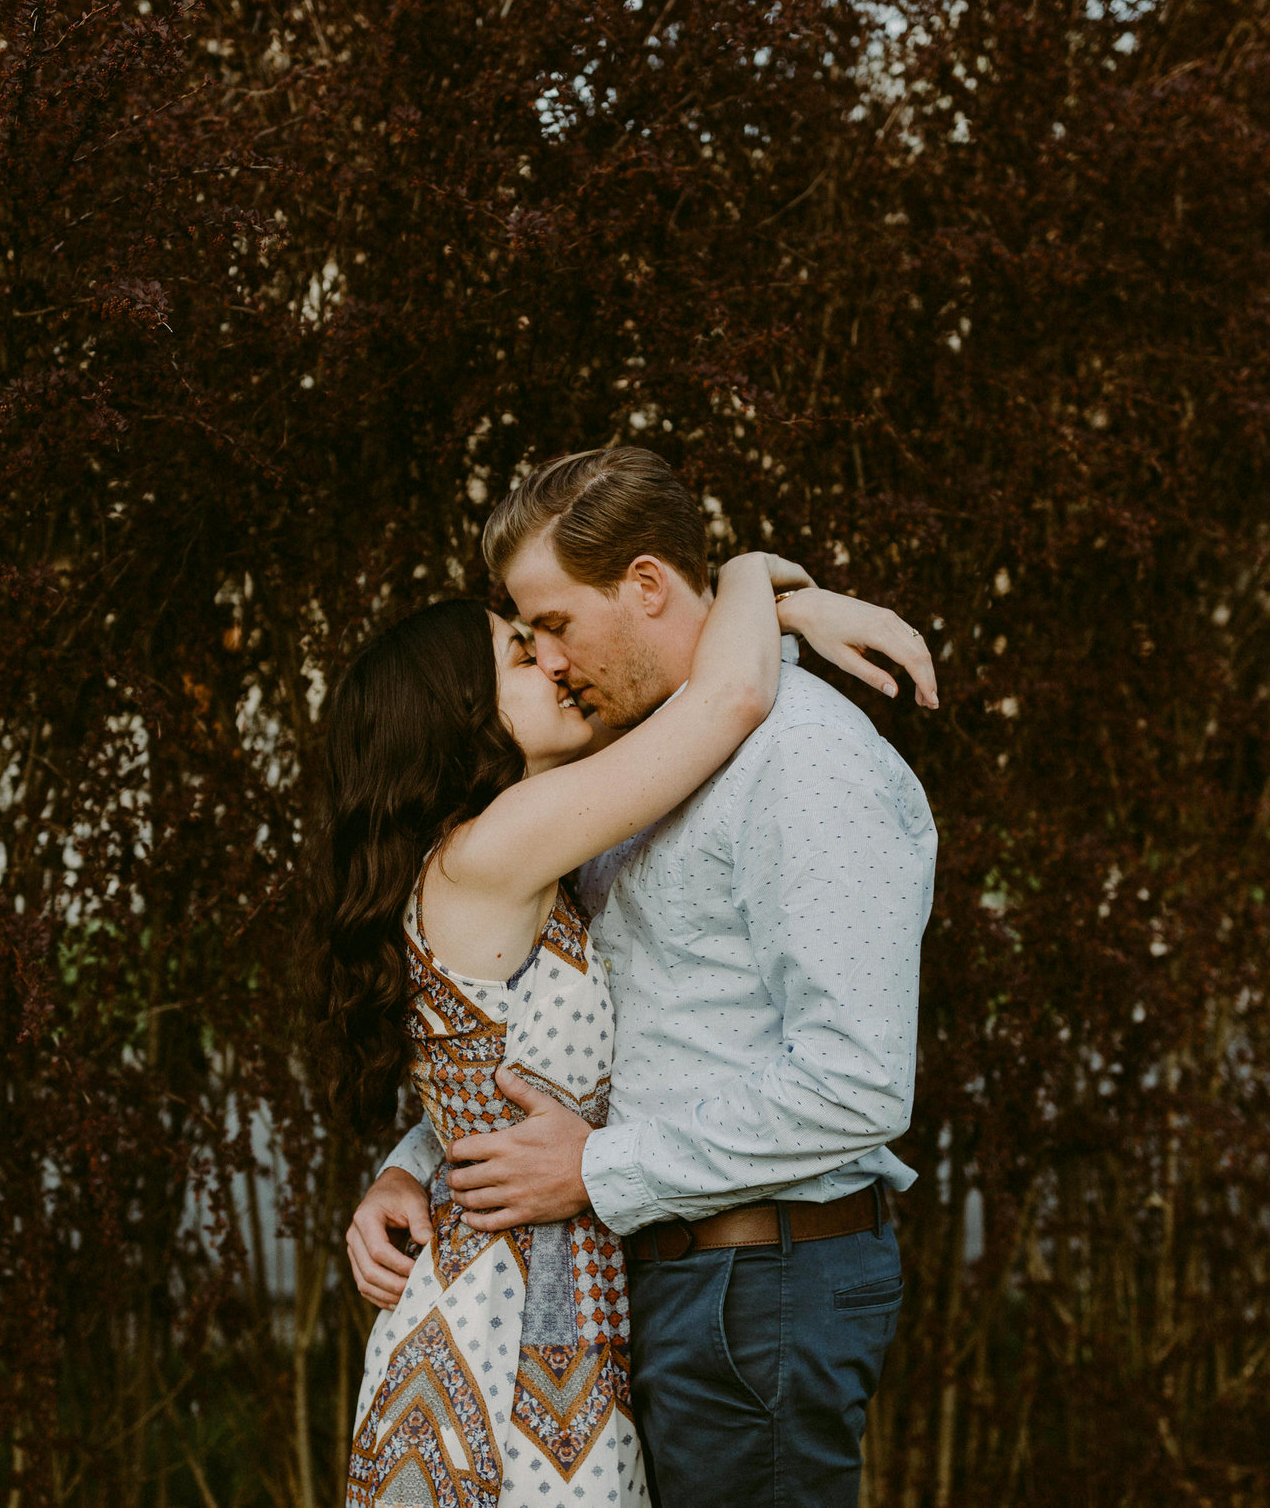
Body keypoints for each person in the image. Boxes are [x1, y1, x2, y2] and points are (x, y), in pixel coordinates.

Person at [340, 447, 940, 1508]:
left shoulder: (800, 758)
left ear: (648, 587)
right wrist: (416, 1161)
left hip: (758, 1286)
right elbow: (529, 1040)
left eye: (550, 627)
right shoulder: (609, 781)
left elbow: (856, 1082)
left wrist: (600, 1171)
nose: (550, 660)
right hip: (630, 1283)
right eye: (521, 648)